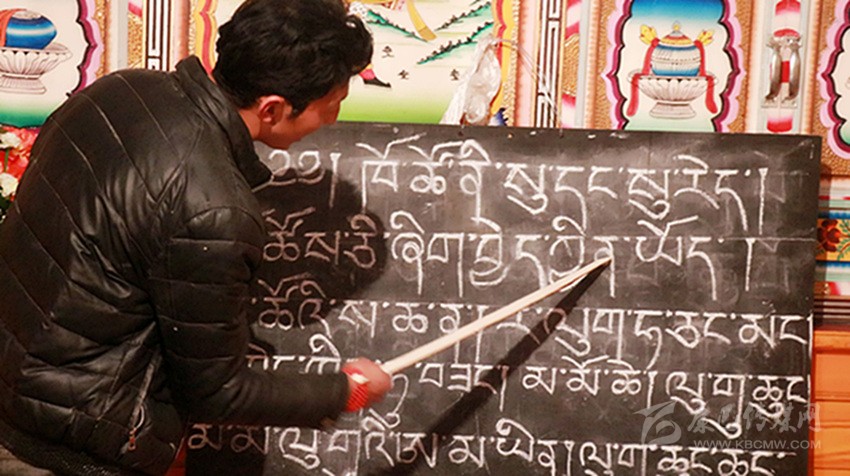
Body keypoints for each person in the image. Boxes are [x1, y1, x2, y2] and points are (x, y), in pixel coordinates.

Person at [0, 0, 392, 474]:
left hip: (14, 386)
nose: (332, 120)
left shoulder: (118, 89)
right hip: (67, 439)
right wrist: (344, 391)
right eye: (332, 106)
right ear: (272, 108)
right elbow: (218, 392)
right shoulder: (215, 210)